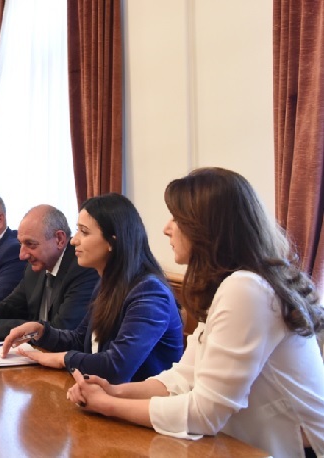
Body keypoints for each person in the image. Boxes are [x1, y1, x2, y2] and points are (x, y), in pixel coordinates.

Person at [66, 168, 324, 457]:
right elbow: (183, 378)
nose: (166, 228)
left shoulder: (247, 288)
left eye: (176, 219)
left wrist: (107, 405)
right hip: (247, 445)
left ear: (207, 228)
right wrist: (114, 391)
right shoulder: (229, 285)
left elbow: (205, 413)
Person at [3, 193, 183, 384]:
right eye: (77, 230)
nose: (74, 241)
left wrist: (61, 359)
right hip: (106, 399)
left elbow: (116, 366)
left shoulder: (149, 293)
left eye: (84, 232)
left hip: (140, 408)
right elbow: (81, 341)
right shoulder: (107, 282)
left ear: (112, 242)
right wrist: (41, 332)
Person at [0, 204, 99, 340]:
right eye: (21, 244)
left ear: (59, 239)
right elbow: (10, 306)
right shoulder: (36, 267)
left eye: (30, 244)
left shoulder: (83, 268)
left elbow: (61, 329)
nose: (22, 255)